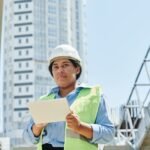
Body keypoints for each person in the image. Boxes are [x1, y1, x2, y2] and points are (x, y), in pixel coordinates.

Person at [23, 44, 115, 150]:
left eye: (65, 65)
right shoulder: (44, 100)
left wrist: (80, 127)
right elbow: (28, 138)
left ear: (77, 69)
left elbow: (109, 134)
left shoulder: (94, 96)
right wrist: (37, 127)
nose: (60, 70)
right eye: (55, 67)